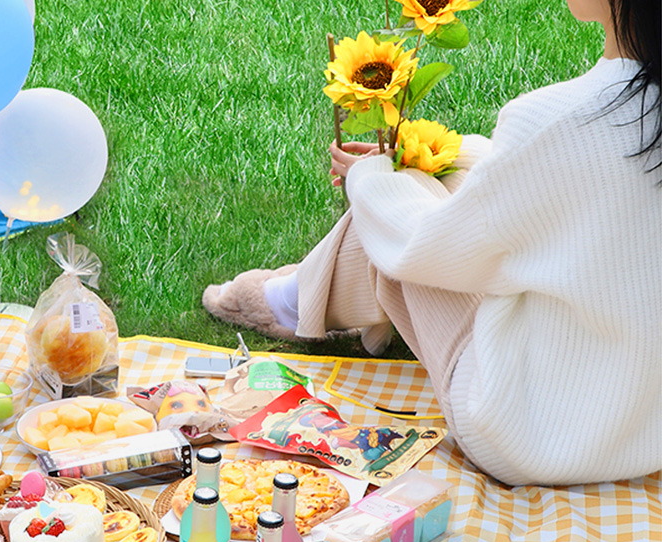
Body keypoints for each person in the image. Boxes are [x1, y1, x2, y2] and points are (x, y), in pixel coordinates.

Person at [202, 0, 661, 487]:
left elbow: (425, 247)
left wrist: (373, 177)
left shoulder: (554, 120)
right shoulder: (593, 120)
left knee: (396, 206)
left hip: (527, 438)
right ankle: (303, 293)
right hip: (645, 431)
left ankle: (289, 301)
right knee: (448, 170)